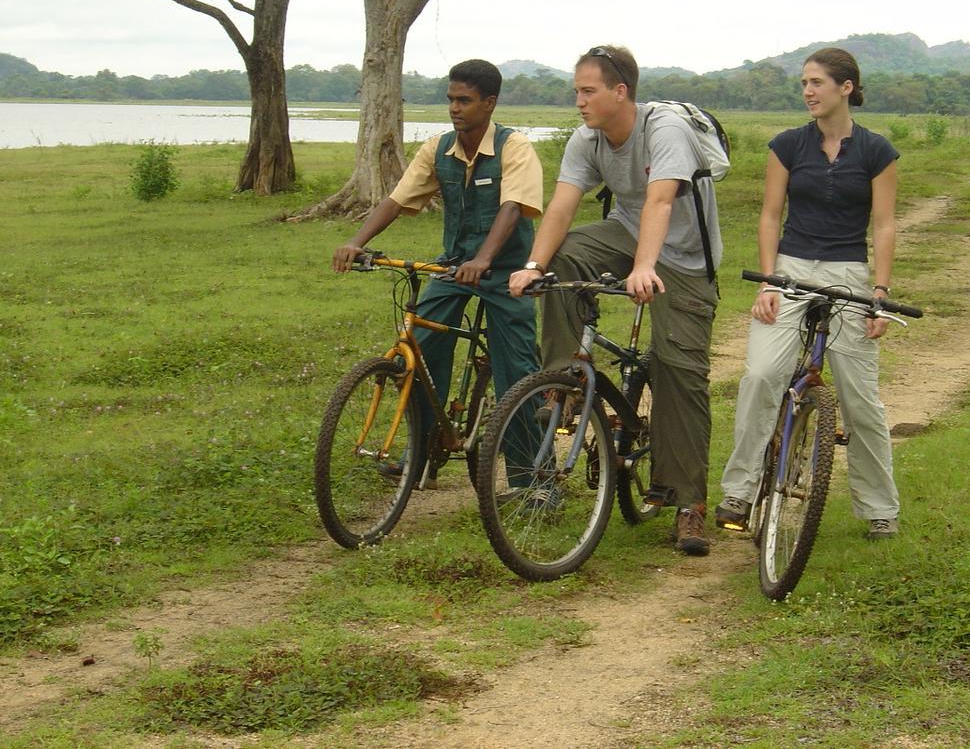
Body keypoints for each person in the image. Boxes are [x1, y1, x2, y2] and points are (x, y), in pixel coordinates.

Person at [508, 45, 722, 556]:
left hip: (686, 256)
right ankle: (564, 386)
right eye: (576, 91)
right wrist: (534, 266)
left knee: (679, 371)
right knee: (563, 260)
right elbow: (562, 205)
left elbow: (661, 198)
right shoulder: (587, 139)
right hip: (628, 232)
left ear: (620, 91)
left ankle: (688, 503)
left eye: (588, 91)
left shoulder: (664, 130)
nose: (579, 101)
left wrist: (646, 266)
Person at [715, 47, 903, 540]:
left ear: (846, 88)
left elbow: (883, 225)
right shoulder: (787, 145)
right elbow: (769, 216)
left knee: (861, 399)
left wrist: (879, 293)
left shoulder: (877, 152)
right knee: (761, 374)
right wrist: (770, 280)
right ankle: (739, 488)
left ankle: (879, 507)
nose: (808, 92)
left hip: (849, 272)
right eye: (804, 83)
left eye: (817, 82)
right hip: (791, 267)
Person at [333, 59, 543, 482]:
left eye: (464, 101)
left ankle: (532, 479)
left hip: (506, 274)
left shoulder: (514, 146)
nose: (454, 108)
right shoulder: (438, 148)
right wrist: (358, 242)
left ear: (489, 103)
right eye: (451, 99)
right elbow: (397, 199)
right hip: (453, 268)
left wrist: (484, 259)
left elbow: (513, 206)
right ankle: (424, 453)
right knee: (421, 348)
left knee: (518, 370)